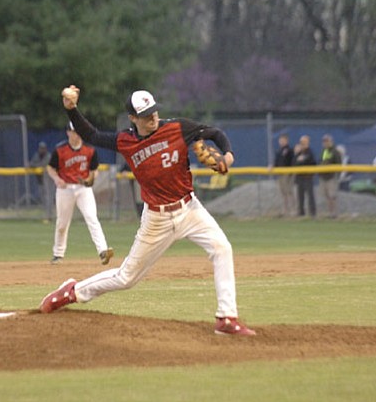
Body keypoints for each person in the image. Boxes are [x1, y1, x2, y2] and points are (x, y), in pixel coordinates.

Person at [39, 87, 256, 336]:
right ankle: (73, 291)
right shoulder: (125, 141)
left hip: (190, 208)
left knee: (222, 248)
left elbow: (215, 133)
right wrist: (71, 108)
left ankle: (226, 318)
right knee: (126, 278)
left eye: (154, 111)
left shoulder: (177, 128)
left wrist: (227, 155)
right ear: (133, 118)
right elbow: (91, 134)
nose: (152, 117)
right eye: (145, 115)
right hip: (157, 219)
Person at [46, 122, 114, 265]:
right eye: (73, 131)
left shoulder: (90, 150)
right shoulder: (60, 149)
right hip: (65, 189)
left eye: (78, 132)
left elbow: (94, 170)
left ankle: (103, 251)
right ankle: (58, 254)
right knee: (62, 223)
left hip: (83, 189)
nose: (75, 134)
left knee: (92, 218)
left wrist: (90, 179)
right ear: (68, 133)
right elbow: (51, 168)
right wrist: (57, 179)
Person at [319, 134, 342, 218]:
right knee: (327, 196)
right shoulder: (324, 151)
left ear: (331, 142)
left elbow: (339, 164)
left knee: (333, 195)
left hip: (331, 176)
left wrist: (337, 175)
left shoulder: (335, 152)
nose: (325, 143)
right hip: (323, 176)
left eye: (327, 141)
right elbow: (321, 161)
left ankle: (335, 213)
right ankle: (330, 212)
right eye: (324, 141)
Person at [293, 135, 316, 217]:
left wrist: (301, 159)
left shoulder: (309, 152)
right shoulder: (298, 153)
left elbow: (309, 161)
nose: (302, 144)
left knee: (310, 195)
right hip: (299, 177)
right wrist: (296, 154)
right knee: (300, 196)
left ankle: (312, 213)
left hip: (308, 177)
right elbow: (294, 164)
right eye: (301, 142)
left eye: (304, 142)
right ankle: (301, 212)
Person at [29, 141, 53, 221]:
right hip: (40, 180)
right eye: (40, 148)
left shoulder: (48, 156)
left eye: (43, 148)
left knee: (48, 197)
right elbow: (31, 164)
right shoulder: (37, 155)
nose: (41, 150)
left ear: (45, 149)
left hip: (49, 181)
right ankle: (46, 215)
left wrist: (36, 165)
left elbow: (44, 164)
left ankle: (49, 215)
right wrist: (36, 165)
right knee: (43, 198)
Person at [273, 134, 295, 217]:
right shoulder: (279, 151)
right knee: (283, 192)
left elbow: (292, 162)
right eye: (280, 140)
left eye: (283, 140)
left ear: (287, 140)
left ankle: (293, 209)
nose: (281, 142)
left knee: (289, 191)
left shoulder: (289, 150)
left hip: (287, 173)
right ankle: (286, 210)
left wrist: (291, 173)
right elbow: (277, 162)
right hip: (280, 173)